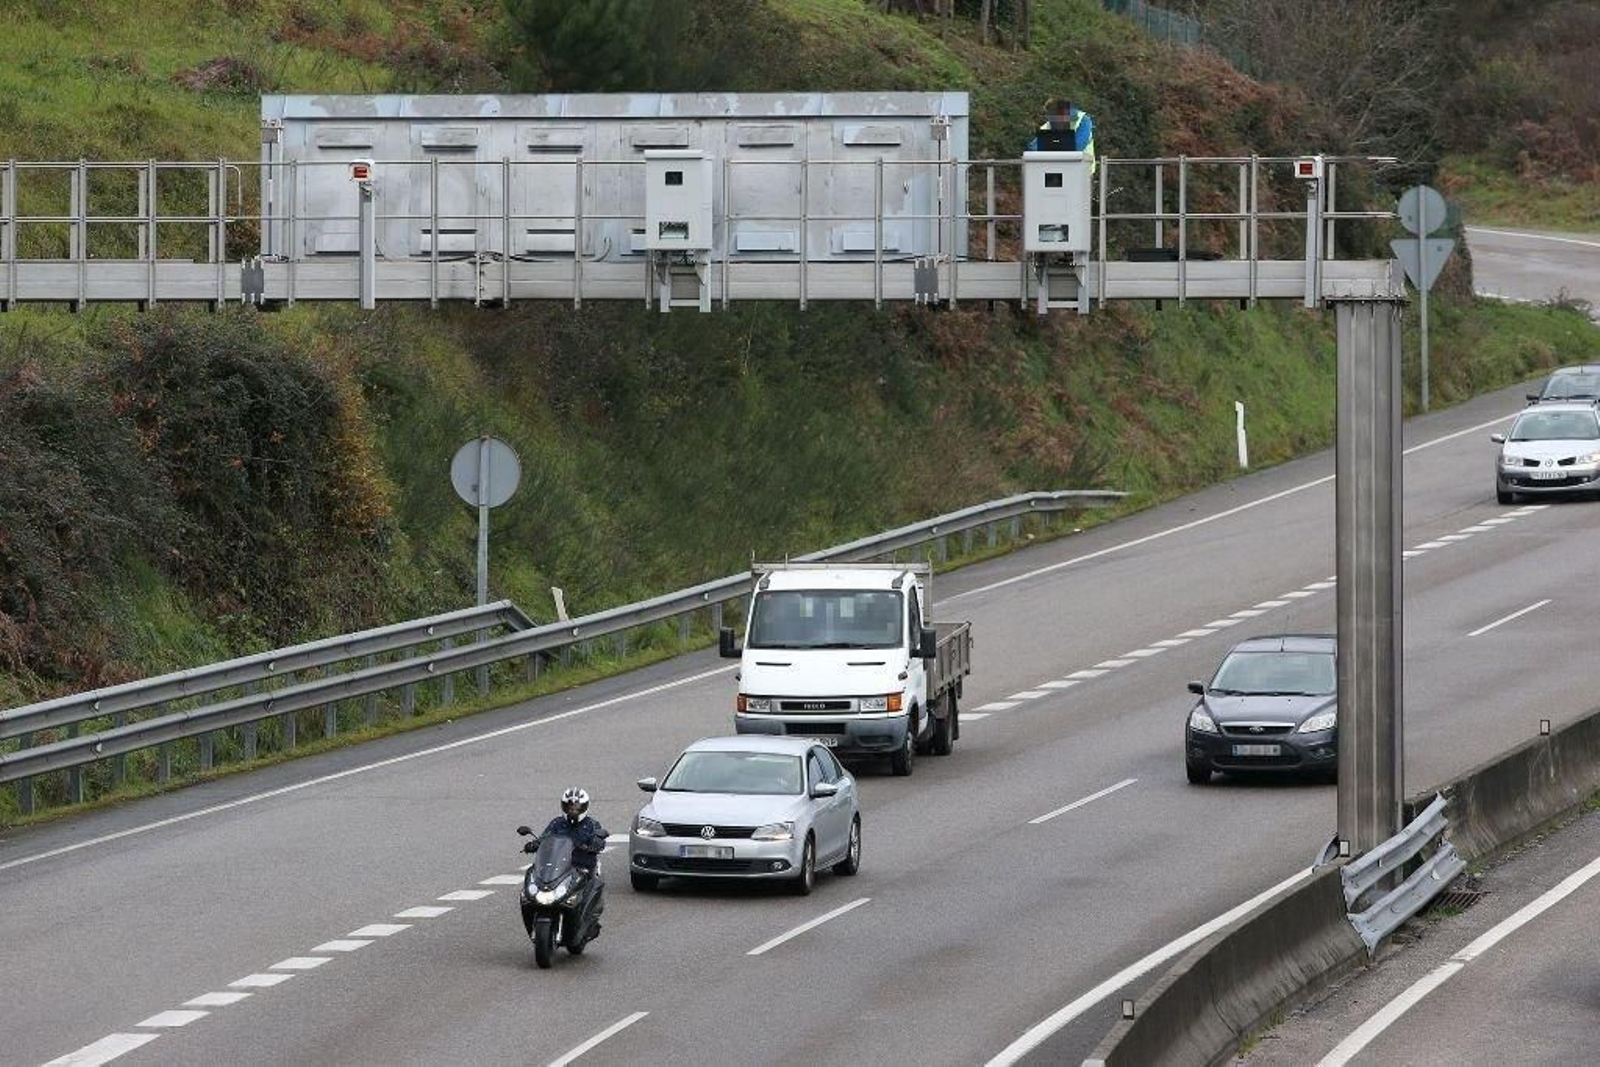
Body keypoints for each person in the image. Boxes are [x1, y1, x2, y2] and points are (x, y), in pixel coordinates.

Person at [528, 786, 609, 873]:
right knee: (534, 873)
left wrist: (596, 844)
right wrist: (534, 844)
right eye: (570, 808)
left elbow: (600, 841)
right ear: (564, 807)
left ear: (584, 807)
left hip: (582, 866)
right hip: (558, 864)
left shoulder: (592, 824)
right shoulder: (557, 822)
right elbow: (545, 837)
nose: (573, 811)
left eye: (577, 808)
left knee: (594, 883)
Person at [1027, 98, 1096, 174]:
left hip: (1082, 170)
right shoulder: (1048, 125)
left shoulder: (1083, 121)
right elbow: (1033, 147)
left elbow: (1077, 147)